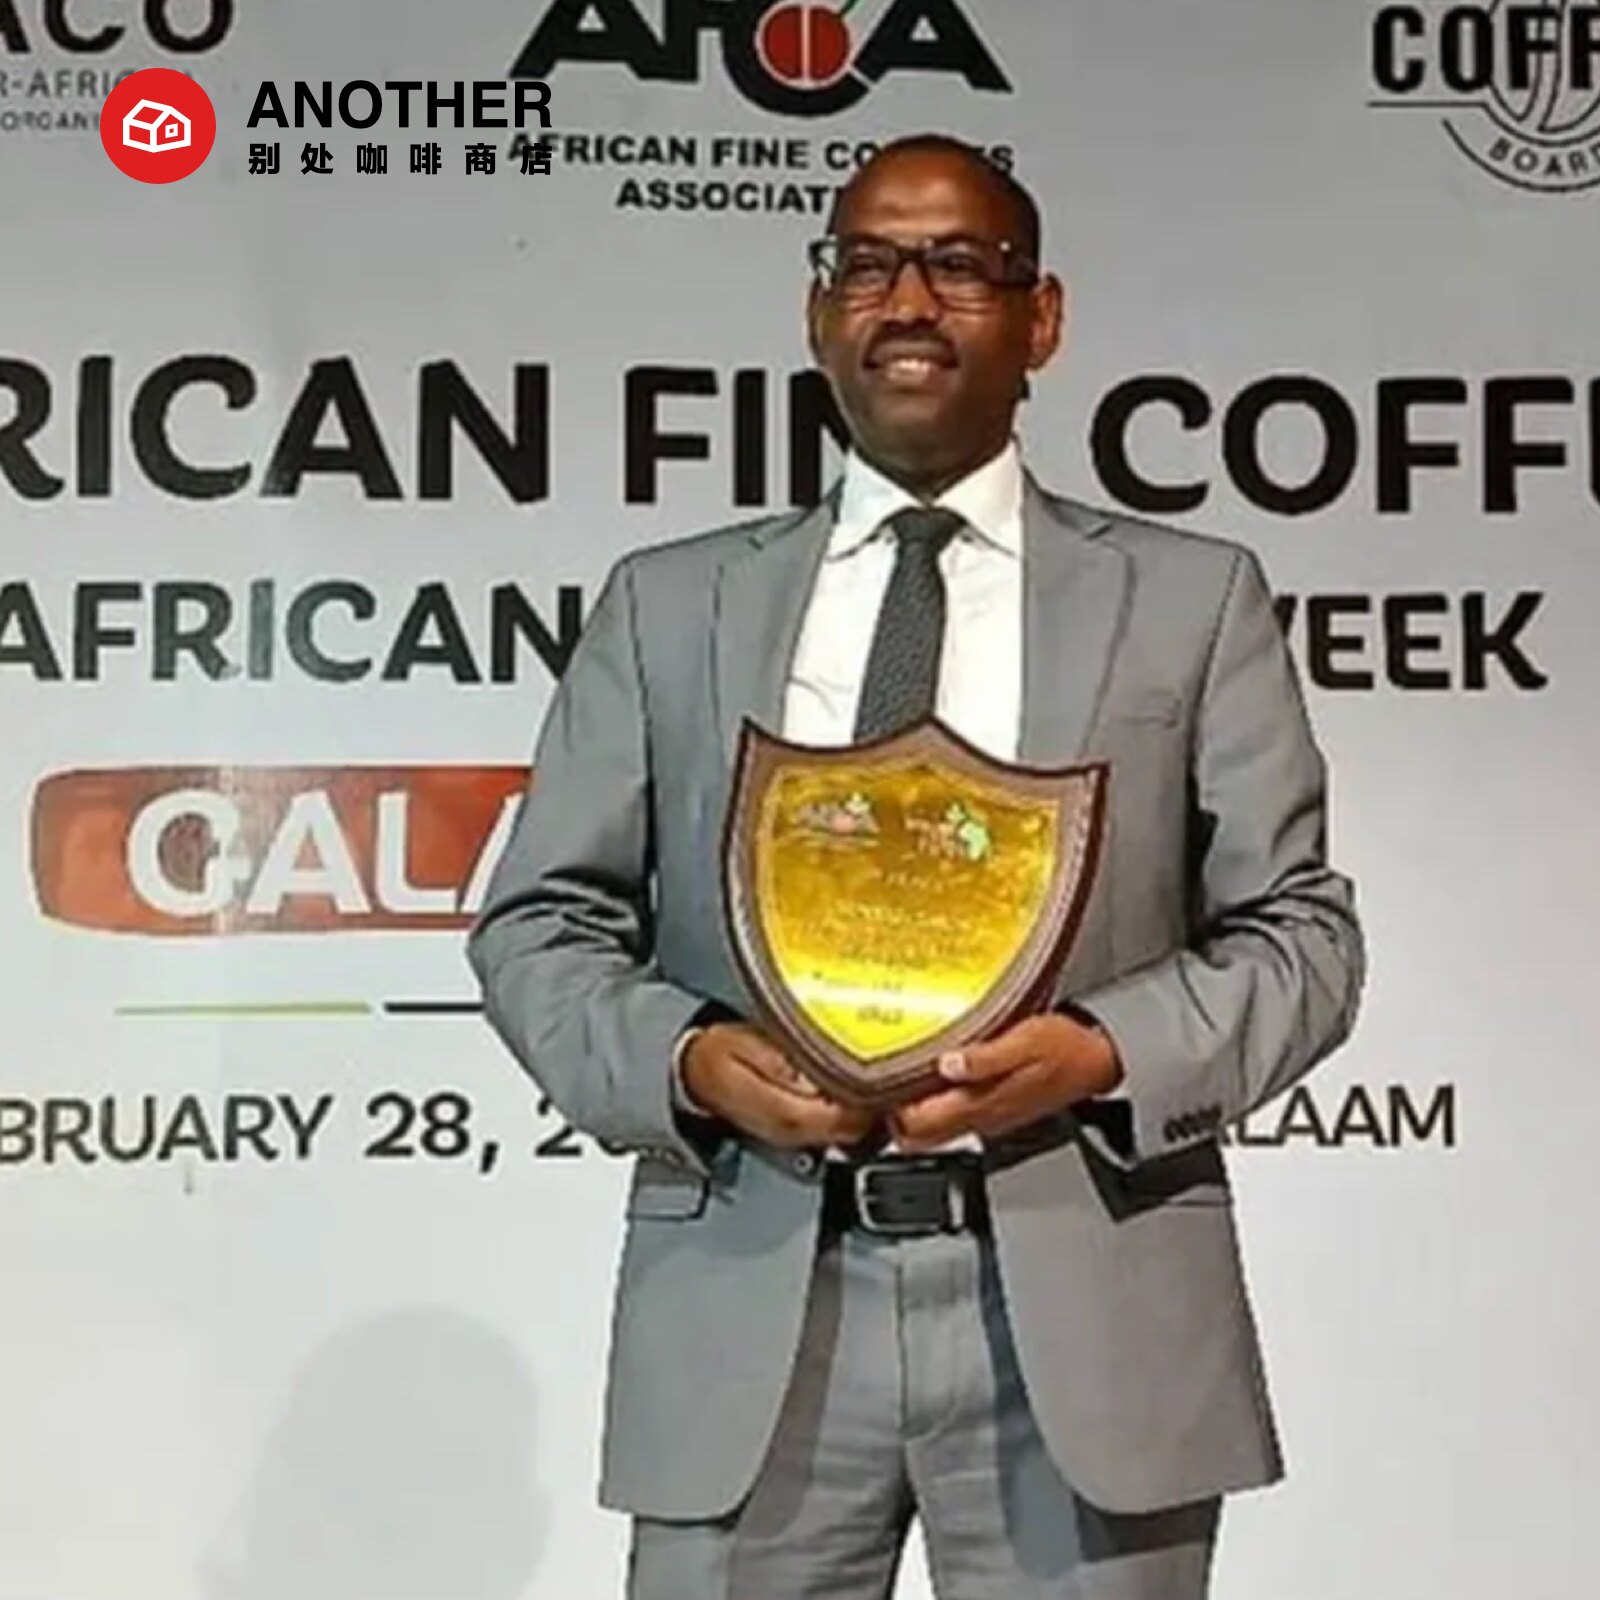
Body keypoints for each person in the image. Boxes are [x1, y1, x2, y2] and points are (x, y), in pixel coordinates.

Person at [469, 134, 1364, 1600]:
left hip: (1084, 1299)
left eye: (959, 265)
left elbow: (1301, 938)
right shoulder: (671, 608)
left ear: (1041, 318)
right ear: (817, 311)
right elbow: (538, 926)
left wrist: (1098, 1053)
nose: (907, 301)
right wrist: (690, 1063)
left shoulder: (1190, 602)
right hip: (758, 1302)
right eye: (867, 264)